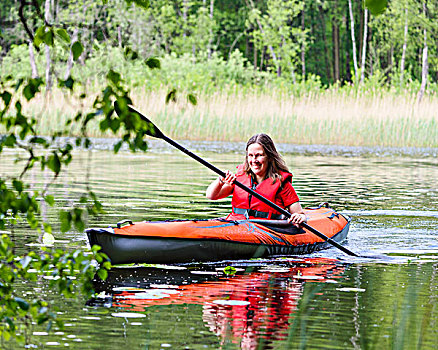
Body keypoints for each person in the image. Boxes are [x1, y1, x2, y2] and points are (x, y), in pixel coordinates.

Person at [206, 133, 307, 226]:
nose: (254, 160)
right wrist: (221, 180)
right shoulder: (239, 179)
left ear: (269, 157)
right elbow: (211, 196)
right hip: (237, 224)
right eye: (250, 155)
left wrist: (300, 217)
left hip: (268, 229)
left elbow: (299, 214)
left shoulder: (282, 184)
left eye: (259, 155)